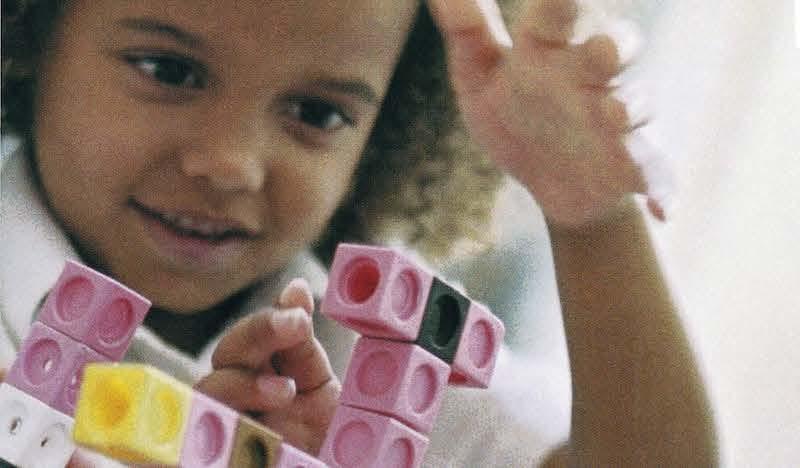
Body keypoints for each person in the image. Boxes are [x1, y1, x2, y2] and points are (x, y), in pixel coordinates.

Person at [0, 0, 718, 466]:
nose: (232, 164)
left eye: (317, 114)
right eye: (169, 70)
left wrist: (590, 221)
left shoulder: (370, 350)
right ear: (31, 34)